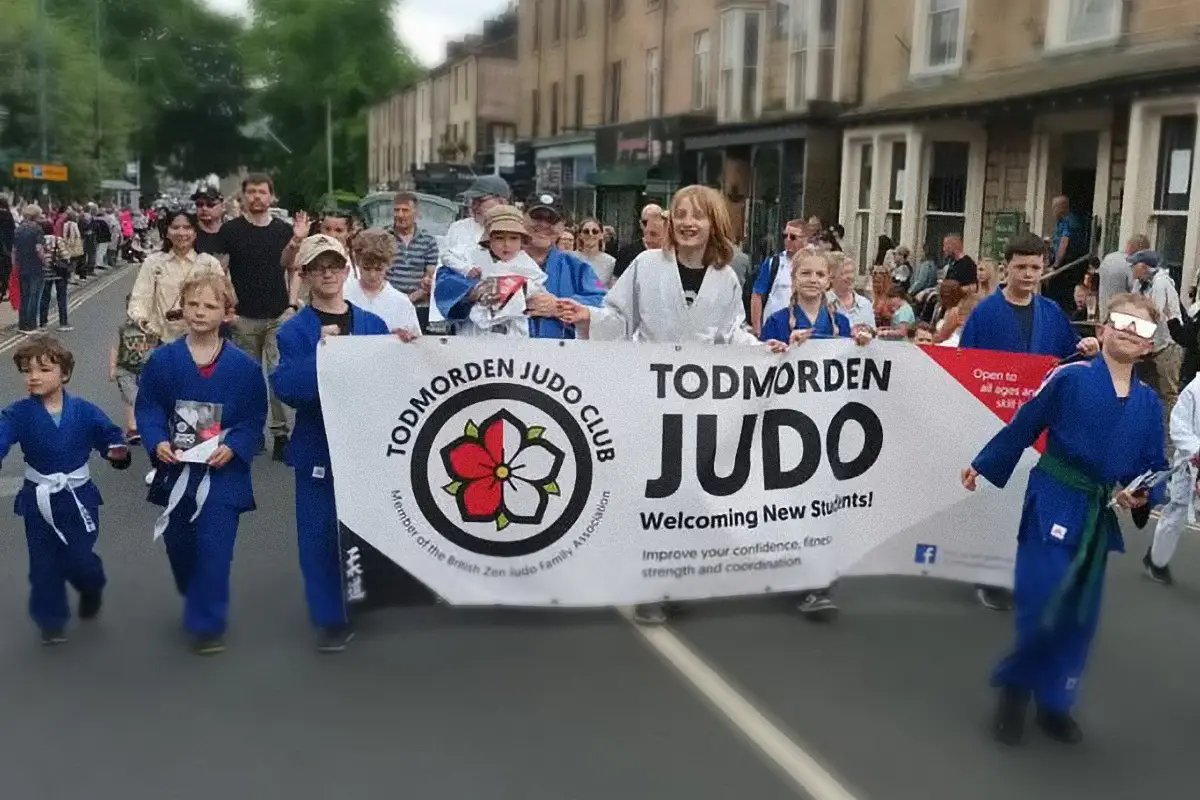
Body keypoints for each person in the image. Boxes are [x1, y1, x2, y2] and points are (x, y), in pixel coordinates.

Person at [962, 293, 1166, 746]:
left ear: (1149, 345)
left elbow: (1152, 462)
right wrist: (985, 462)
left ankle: (1055, 702)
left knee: (1079, 617)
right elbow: (1025, 423)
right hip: (1053, 498)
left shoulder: (1149, 404)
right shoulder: (1070, 378)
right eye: (1121, 322)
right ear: (1102, 330)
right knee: (1042, 605)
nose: (1130, 332)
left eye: (1142, 329)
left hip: (1097, 512)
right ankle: (1016, 690)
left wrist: (1143, 493)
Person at [558, 185, 765, 624]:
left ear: (715, 224)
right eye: (680, 215)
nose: (688, 223)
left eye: (698, 216)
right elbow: (619, 319)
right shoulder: (647, 266)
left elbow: (733, 333)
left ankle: (680, 576)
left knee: (691, 491)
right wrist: (586, 318)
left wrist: (765, 350)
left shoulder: (727, 277)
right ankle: (648, 583)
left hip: (702, 400)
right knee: (653, 491)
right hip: (650, 396)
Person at [958, 233, 1099, 611]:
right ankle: (986, 573)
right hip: (993, 416)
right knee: (992, 494)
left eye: (1035, 267)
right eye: (1020, 267)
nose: (1028, 274)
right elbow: (965, 366)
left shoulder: (1051, 313)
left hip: (1038, 421)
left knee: (1027, 496)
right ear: (1006, 269)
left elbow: (1069, 362)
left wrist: (1088, 349)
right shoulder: (985, 314)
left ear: (1044, 269)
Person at [135, 275, 268, 655]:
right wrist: (157, 439)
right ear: (182, 308)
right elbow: (149, 408)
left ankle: (208, 624)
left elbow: (253, 417)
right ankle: (193, 592)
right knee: (180, 545)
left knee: (214, 546)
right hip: (177, 471)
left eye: (210, 306)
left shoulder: (243, 367)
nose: (199, 312)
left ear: (227, 314)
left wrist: (238, 445)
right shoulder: (163, 360)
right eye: (193, 304)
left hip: (222, 474)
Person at [272, 234, 390, 653]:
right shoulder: (295, 332)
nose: (328, 272)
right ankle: (330, 618)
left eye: (335, 265)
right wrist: (323, 354)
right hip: (319, 448)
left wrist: (409, 349)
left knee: (365, 532)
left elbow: (391, 381)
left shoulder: (374, 325)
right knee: (319, 535)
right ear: (303, 275)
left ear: (348, 270)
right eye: (318, 266)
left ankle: (361, 599)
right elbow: (288, 388)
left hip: (364, 448)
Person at [760, 248, 873, 620]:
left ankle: (817, 582)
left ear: (830, 280)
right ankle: (790, 569)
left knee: (824, 502)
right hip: (788, 425)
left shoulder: (840, 323)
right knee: (789, 500)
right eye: (804, 273)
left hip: (829, 426)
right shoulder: (778, 320)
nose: (812, 279)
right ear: (793, 279)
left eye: (819, 274)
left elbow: (857, 368)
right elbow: (759, 366)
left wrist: (861, 343)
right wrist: (782, 349)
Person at [0, 336, 131, 644]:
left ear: (64, 374)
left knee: (78, 559)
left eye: (44, 369)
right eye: (27, 370)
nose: (34, 376)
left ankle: (91, 584)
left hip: (77, 497)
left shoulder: (84, 411)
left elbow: (109, 435)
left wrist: (116, 451)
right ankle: (51, 620)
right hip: (38, 498)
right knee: (43, 562)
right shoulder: (17, 414)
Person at [434, 193, 605, 339]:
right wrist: (474, 292)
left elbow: (605, 305)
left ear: (562, 226)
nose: (543, 225)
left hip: (552, 365)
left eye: (552, 220)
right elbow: (444, 285)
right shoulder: (476, 256)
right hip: (485, 361)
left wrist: (558, 306)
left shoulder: (577, 268)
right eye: (537, 217)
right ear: (522, 218)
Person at [217, 174, 296, 462]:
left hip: (277, 314)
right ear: (243, 196)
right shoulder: (231, 230)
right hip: (243, 318)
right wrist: (229, 307)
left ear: (271, 196)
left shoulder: (283, 230)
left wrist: (291, 306)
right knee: (247, 380)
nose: (257, 197)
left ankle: (280, 434)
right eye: (251, 192)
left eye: (262, 192)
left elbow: (292, 268)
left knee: (276, 376)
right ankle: (250, 433)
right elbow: (220, 272)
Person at [128, 209, 226, 345]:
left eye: (187, 228)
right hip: (163, 341)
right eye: (175, 227)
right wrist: (142, 321)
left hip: (202, 341)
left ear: (195, 232)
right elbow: (140, 298)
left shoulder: (209, 264)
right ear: (167, 232)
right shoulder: (153, 263)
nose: (181, 233)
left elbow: (223, 300)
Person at [343, 227, 421, 337]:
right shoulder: (344, 294)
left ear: (389, 264)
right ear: (357, 262)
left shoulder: (401, 302)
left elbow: (415, 343)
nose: (372, 275)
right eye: (366, 268)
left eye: (378, 269)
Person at [385, 193, 440, 332]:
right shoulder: (383, 238)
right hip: (388, 304)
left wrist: (411, 298)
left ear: (415, 213)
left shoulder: (428, 241)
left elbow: (430, 277)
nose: (400, 215)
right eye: (396, 210)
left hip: (419, 307)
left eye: (405, 210)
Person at [441, 175, 511, 272]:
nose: (474, 206)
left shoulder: (514, 231)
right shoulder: (459, 227)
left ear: (502, 201)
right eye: (472, 200)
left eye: (480, 201)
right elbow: (443, 259)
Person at [750, 219, 807, 335]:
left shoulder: (813, 265)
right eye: (785, 236)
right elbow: (757, 295)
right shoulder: (773, 263)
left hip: (803, 329)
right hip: (773, 329)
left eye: (793, 237)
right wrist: (757, 328)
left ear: (805, 239)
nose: (788, 240)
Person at [1047, 195, 1090, 314]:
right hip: (1065, 263)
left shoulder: (1069, 221)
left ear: (1061, 208)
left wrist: (1055, 265)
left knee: (1061, 294)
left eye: (1054, 207)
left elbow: (1064, 243)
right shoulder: (1061, 222)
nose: (1052, 210)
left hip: (1069, 265)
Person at [1096, 235, 1150, 324]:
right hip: (1121, 315)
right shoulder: (1131, 264)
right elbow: (1135, 293)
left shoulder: (1108, 258)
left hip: (1104, 313)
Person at [14, 204, 47, 333]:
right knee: (34, 296)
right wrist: (45, 260)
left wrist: (14, 264)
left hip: (22, 265)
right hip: (35, 266)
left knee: (24, 296)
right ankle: (32, 325)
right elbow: (39, 249)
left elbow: (14, 250)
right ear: (35, 215)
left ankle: (22, 324)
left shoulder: (19, 229)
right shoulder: (37, 229)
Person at [613, 204, 667, 280]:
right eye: (646, 222)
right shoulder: (626, 252)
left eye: (655, 219)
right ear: (641, 224)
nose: (650, 224)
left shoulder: (672, 252)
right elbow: (616, 282)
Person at [575, 217, 617, 287]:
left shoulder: (611, 262)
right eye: (586, 231)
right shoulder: (569, 258)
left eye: (595, 231)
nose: (590, 234)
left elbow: (612, 290)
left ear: (601, 235)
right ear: (580, 235)